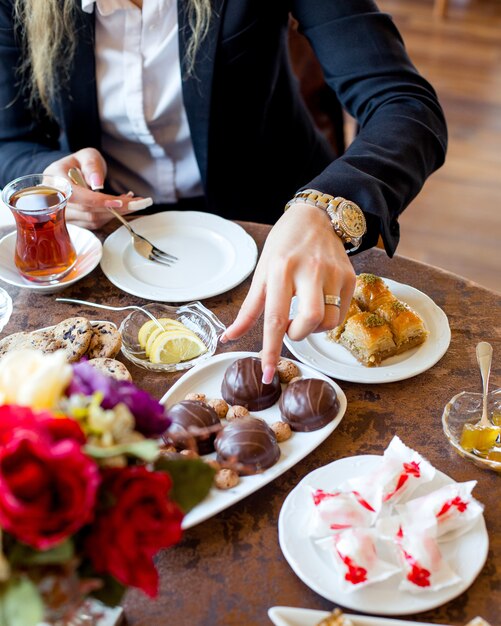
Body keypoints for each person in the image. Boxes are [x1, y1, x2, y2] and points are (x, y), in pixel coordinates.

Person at [0, 0, 447, 383]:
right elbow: (8, 140)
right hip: (107, 247)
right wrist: (48, 178)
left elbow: (405, 105)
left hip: (276, 227)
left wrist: (323, 207)